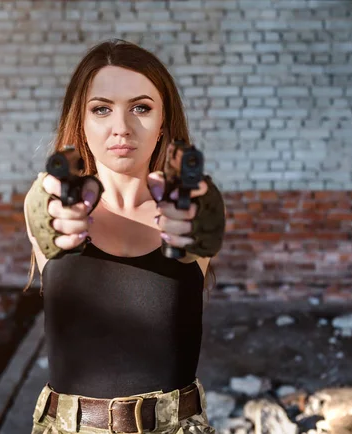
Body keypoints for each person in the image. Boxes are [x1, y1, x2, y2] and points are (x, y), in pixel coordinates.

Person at [23, 39, 226, 434]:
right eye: (101, 109)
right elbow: (42, 208)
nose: (122, 128)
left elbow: (206, 220)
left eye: (141, 108)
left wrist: (206, 212)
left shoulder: (189, 207)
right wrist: (46, 214)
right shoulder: (51, 203)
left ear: (163, 120)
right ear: (80, 120)